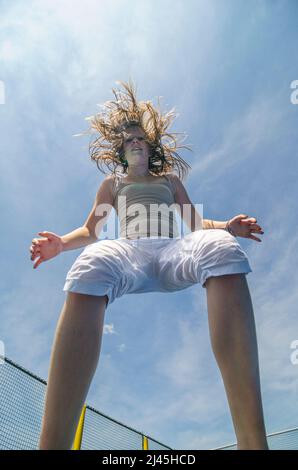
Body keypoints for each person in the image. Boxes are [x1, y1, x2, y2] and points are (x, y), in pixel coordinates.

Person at [30, 79, 268, 450]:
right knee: (91, 262)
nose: (136, 142)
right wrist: (60, 244)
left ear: (150, 146)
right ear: (122, 152)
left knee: (222, 248)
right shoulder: (113, 183)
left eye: (141, 138)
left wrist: (228, 227)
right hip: (130, 252)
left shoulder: (169, 180)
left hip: (173, 249)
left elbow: (194, 223)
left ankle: (254, 443)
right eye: (129, 140)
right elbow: (92, 231)